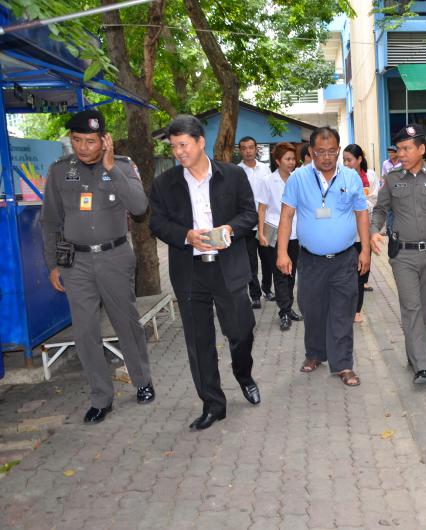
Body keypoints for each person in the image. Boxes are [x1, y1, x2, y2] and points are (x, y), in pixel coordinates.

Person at [41, 109, 154, 424]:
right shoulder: (60, 171)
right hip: (76, 263)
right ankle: (101, 397)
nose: (82, 147)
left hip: (114, 257)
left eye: (90, 141)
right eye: (77, 140)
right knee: (85, 330)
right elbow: (51, 222)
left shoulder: (123, 166)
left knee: (126, 323)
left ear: (104, 141)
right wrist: (53, 265)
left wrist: (111, 168)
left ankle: (142, 380)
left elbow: (140, 207)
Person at [149, 115, 261, 431]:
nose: (178, 152)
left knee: (241, 331)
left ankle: (244, 374)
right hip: (190, 271)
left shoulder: (233, 175)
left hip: (228, 268)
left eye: (183, 145)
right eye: (173, 147)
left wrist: (230, 230)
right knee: (199, 343)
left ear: (200, 142)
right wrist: (186, 235)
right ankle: (213, 404)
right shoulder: (164, 183)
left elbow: (249, 214)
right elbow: (157, 223)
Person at [276, 127, 371, 387]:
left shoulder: (351, 177)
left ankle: (343, 364)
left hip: (344, 259)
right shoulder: (298, 178)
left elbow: (362, 214)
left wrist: (365, 250)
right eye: (320, 152)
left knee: (343, 311)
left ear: (338, 151)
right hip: (310, 260)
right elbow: (286, 216)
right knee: (312, 309)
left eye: (331, 152)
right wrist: (282, 252)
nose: (326, 157)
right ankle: (315, 354)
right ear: (311, 151)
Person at [371, 124, 426, 384]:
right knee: (412, 308)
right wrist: (374, 230)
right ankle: (422, 366)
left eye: (406, 149)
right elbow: (380, 209)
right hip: (403, 256)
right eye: (399, 149)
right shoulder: (392, 178)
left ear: (421, 149)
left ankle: (414, 353)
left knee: (423, 309)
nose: (401, 154)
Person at [256, 142, 303, 331]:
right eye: (288, 159)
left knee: (291, 272)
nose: (292, 162)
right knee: (280, 273)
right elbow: (262, 208)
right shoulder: (267, 181)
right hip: (273, 230)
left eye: (293, 159)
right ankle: (284, 311)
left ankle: (288, 307)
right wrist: (261, 233)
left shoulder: (297, 179)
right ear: (278, 161)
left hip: (295, 232)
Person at [343, 143, 380, 323]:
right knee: (346, 273)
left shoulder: (370, 176)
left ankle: (357, 310)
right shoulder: (340, 177)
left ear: (359, 159)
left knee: (359, 272)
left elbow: (373, 199)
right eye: (344, 160)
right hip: (345, 232)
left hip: (363, 231)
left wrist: (358, 204)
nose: (346, 164)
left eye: (349, 160)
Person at [237, 136, 274, 307]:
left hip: (266, 222)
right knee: (250, 261)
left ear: (256, 148)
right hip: (247, 224)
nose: (248, 151)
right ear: (240, 151)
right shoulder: (236, 171)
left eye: (251, 147)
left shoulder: (265, 169)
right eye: (244, 148)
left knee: (268, 259)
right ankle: (255, 295)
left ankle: (267, 289)